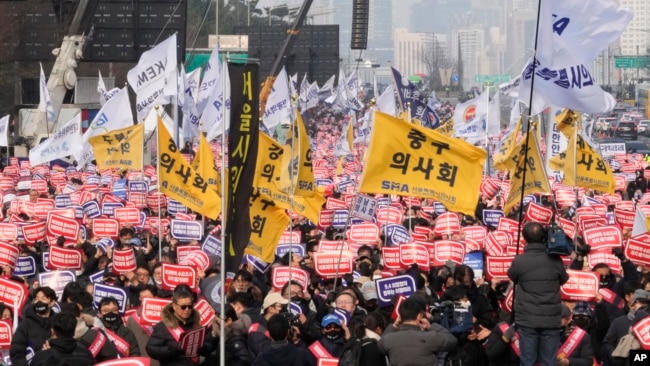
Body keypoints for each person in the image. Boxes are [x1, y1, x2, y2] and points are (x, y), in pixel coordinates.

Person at [507, 222, 569, 366]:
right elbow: (564, 279)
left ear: (524, 239)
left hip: (527, 320)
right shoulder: (555, 260)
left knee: (527, 360)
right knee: (549, 361)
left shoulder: (519, 261)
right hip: (550, 319)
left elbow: (513, 277)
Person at [378, 297, 457, 366]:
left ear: (400, 317)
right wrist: (431, 327)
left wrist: (394, 326)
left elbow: (380, 345)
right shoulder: (430, 336)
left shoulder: (389, 339)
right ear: (419, 315)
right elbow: (452, 341)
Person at [146, 289, 216, 366]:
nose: (187, 309)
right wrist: (174, 350)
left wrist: (200, 348)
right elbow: (151, 348)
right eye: (183, 307)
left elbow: (209, 347)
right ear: (174, 306)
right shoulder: (163, 326)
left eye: (190, 306)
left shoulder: (198, 324)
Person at [10, 287, 58, 366]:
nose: (39, 301)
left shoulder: (58, 322)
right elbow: (16, 353)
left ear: (52, 302)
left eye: (43, 299)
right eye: (36, 299)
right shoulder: (26, 324)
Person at [29, 312, 95, 366]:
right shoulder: (86, 355)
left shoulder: (41, 357)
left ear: (52, 331)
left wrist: (46, 355)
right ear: (74, 332)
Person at [252, 313, 316, 366]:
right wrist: (297, 342)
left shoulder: (261, 359)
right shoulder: (301, 355)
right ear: (288, 332)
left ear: (269, 333)